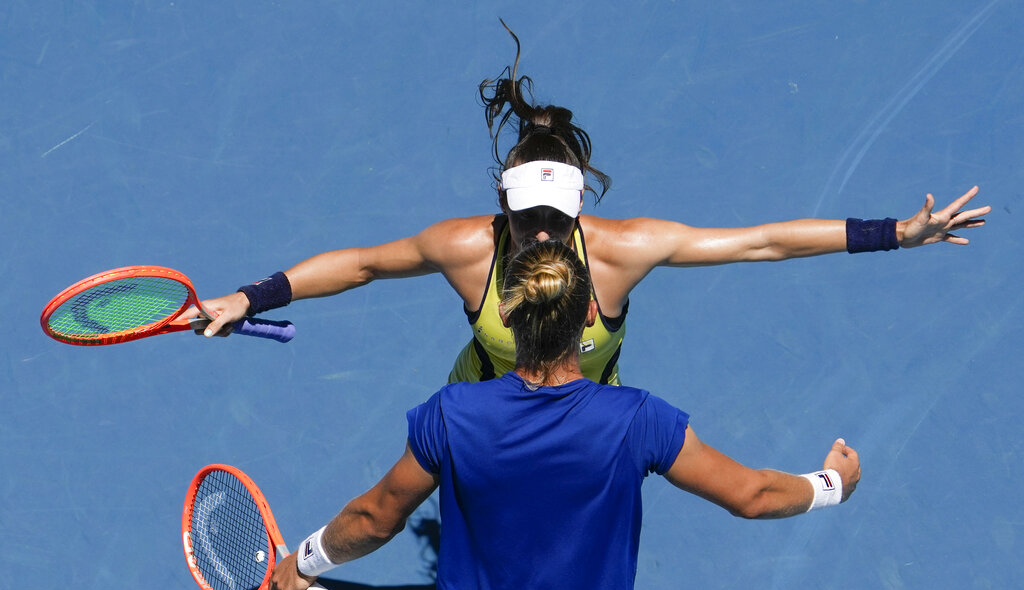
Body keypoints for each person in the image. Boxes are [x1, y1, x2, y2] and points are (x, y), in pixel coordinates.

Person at [188, 25, 989, 385]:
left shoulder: (622, 249)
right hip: (482, 401)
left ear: (578, 206)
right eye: (526, 215)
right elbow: (362, 265)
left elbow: (763, 242)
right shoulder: (465, 247)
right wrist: (251, 296)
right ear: (502, 204)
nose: (540, 230)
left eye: (554, 215)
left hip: (584, 412)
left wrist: (895, 233)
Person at [269, 240, 862, 590]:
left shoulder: (452, 413)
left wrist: (305, 561)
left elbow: (375, 519)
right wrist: (832, 482)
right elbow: (753, 495)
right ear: (588, 316)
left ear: (506, 315)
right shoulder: (638, 419)